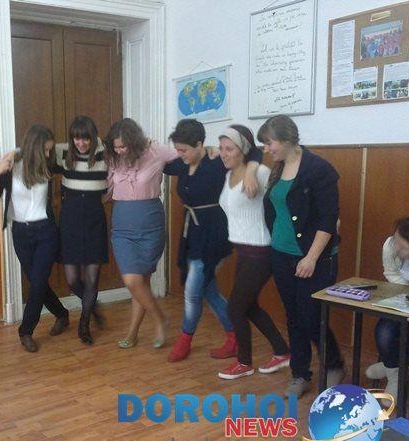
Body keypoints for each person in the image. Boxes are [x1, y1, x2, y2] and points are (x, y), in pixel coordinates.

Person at [259, 114, 345, 398]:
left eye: (270, 143)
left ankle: (334, 363)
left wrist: (311, 258)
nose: (266, 149)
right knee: (293, 316)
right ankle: (300, 374)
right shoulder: (278, 166)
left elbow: (328, 219)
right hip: (281, 254)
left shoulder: (319, 169)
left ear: (287, 140)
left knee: (311, 317)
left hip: (313, 257)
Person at [164, 119, 259, 362]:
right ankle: (235, 336)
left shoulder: (217, 162)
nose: (180, 154)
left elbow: (254, 152)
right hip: (192, 234)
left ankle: (185, 340)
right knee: (209, 291)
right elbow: (160, 162)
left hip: (214, 235)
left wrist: (250, 171)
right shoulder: (183, 164)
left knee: (192, 292)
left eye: (184, 150)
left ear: (199, 144)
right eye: (177, 149)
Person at [0, 125, 69, 353]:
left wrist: (98, 143)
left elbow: (71, 150)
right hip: (21, 233)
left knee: (38, 282)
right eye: (46, 149)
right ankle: (62, 314)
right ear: (34, 148)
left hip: (46, 232)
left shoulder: (48, 164)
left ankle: (26, 331)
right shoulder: (12, 167)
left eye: (50, 149)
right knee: (36, 282)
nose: (49, 154)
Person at [216, 125, 290, 380]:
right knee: (248, 306)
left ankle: (244, 362)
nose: (223, 153)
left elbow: (282, 202)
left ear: (243, 150)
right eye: (221, 148)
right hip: (243, 249)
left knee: (235, 308)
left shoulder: (260, 172)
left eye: (229, 148)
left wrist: (252, 168)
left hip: (261, 250)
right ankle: (282, 352)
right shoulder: (228, 175)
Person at [105, 118, 175, 349]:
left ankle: (133, 333)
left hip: (151, 223)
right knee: (132, 280)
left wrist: (210, 151)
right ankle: (160, 319)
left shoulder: (156, 151)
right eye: (115, 147)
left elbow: (186, 153)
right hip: (123, 226)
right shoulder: (112, 158)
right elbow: (106, 190)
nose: (119, 151)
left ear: (134, 142)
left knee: (141, 281)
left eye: (123, 146)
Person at [53, 116, 108, 345]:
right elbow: (36, 150)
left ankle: (84, 325)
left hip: (95, 219)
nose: (81, 143)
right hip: (70, 220)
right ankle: (92, 306)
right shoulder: (63, 153)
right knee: (72, 280)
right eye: (77, 138)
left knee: (92, 279)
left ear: (93, 137)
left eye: (86, 138)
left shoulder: (106, 154)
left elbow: (132, 151)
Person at [365, 213, 409, 403]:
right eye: (396, 240)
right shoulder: (390, 245)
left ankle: (395, 366)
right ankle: (394, 374)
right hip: (407, 298)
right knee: (384, 332)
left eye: (403, 246)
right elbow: (391, 273)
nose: (396, 247)